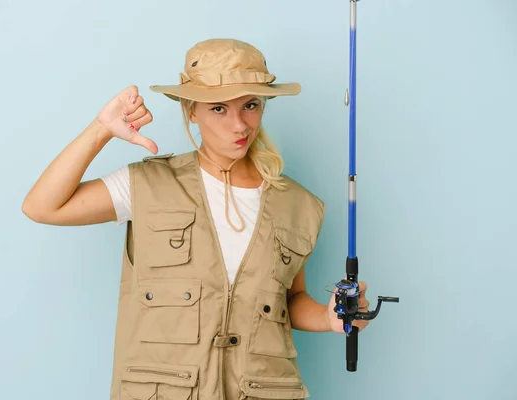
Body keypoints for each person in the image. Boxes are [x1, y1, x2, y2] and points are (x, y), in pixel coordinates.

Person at [22, 38, 370, 400]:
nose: (239, 125)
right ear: (191, 109)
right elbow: (42, 207)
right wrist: (101, 129)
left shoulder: (299, 205)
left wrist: (331, 318)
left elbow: (291, 299)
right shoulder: (146, 184)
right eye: (219, 108)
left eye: (250, 105)